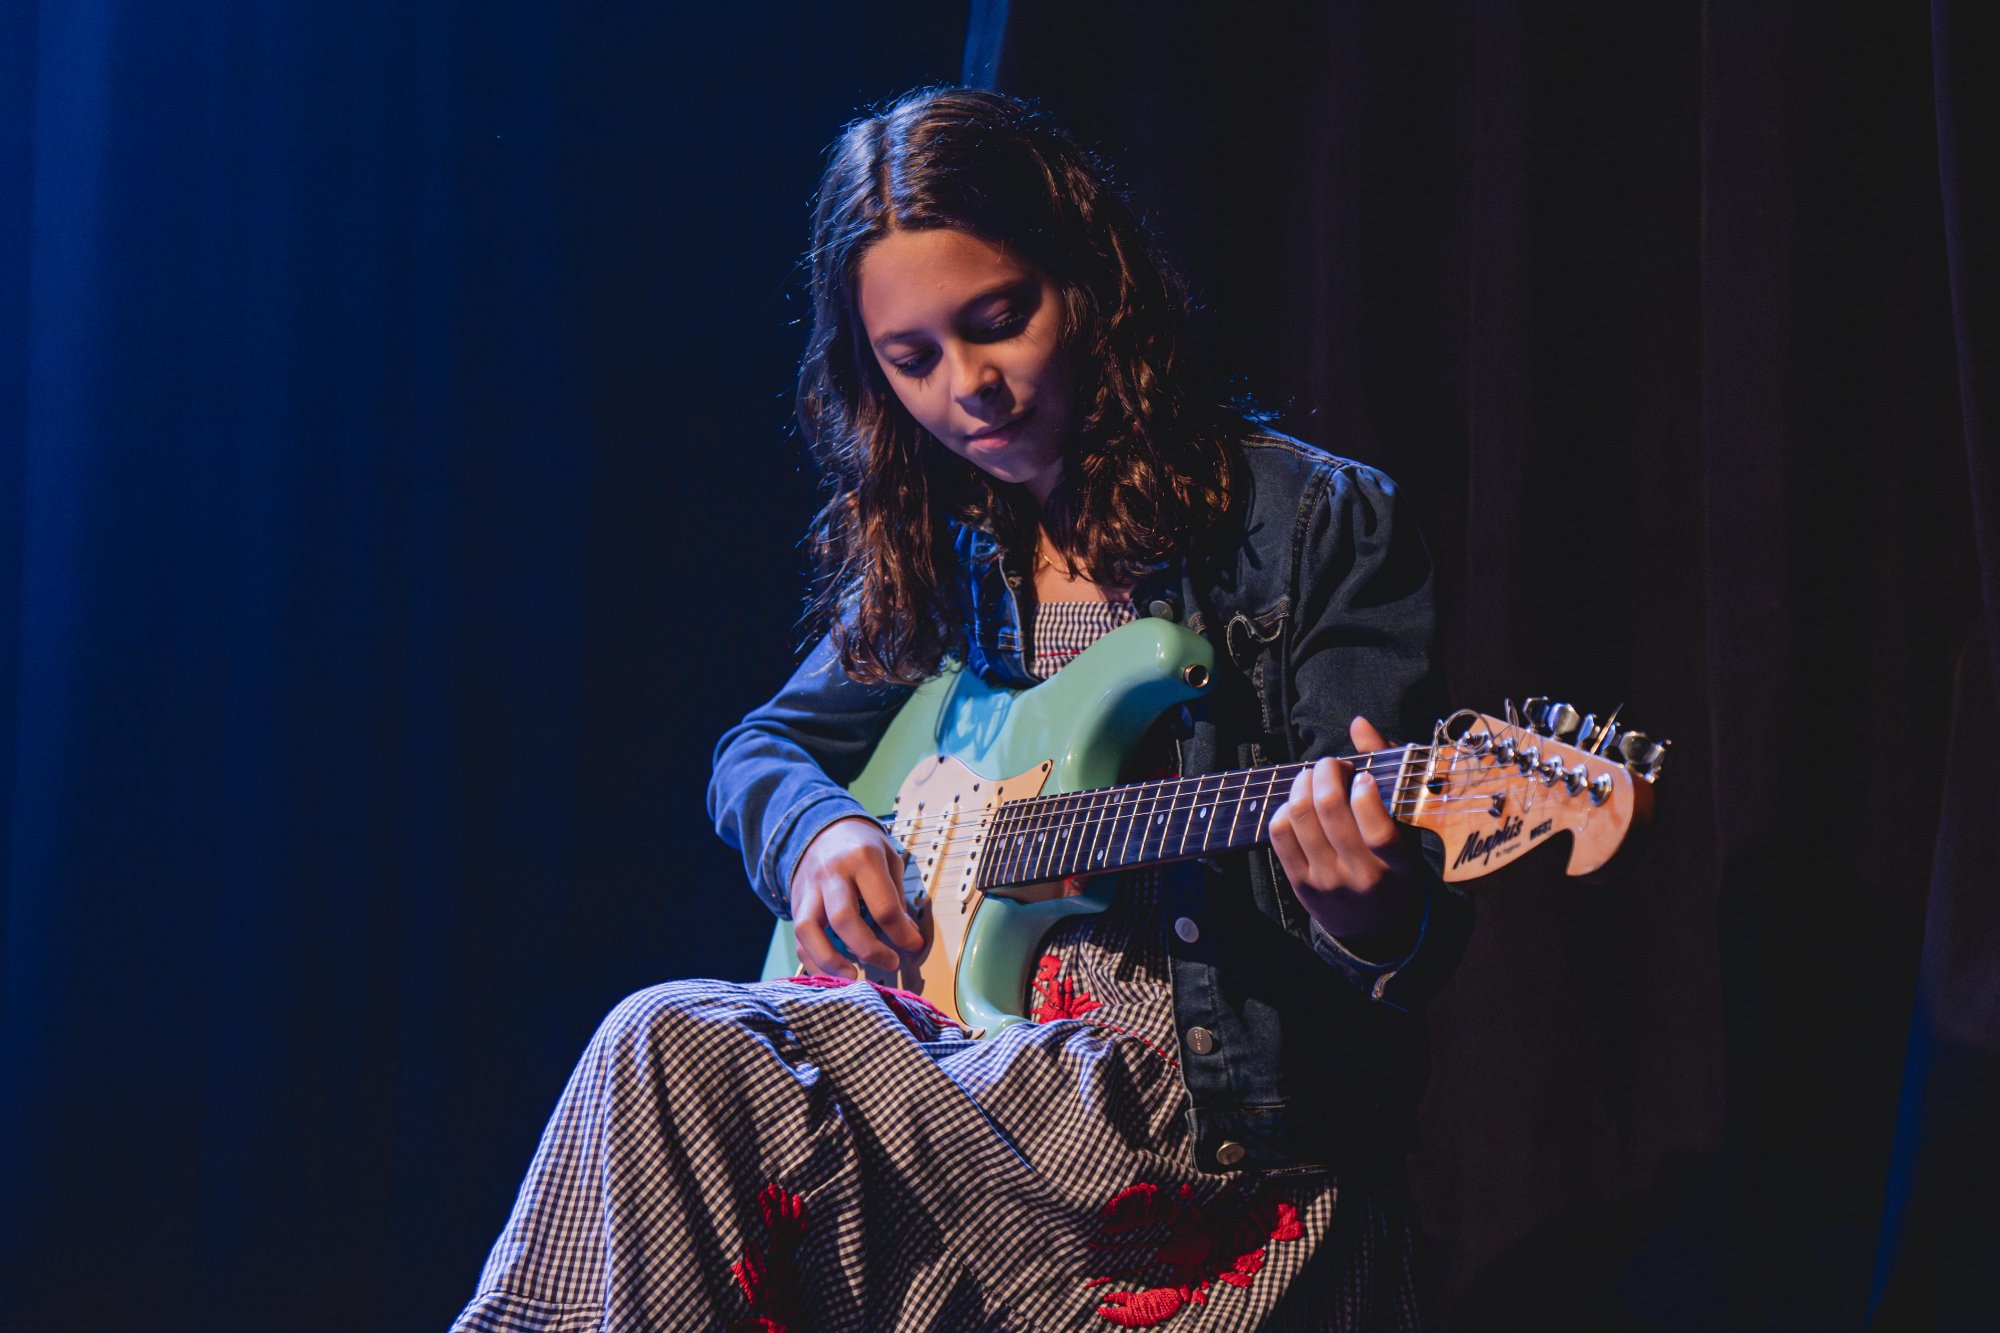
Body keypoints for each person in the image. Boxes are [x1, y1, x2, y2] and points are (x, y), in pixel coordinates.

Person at [453, 86, 1472, 1332]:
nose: (967, 388)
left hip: (1178, 1111)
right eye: (912, 358)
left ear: (1088, 281)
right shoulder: (947, 547)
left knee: (670, 1040)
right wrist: (820, 832)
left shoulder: (1310, 521)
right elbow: (761, 749)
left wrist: (1360, 904)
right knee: (669, 1049)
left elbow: (1404, 926)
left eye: (999, 321)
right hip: (957, 1050)